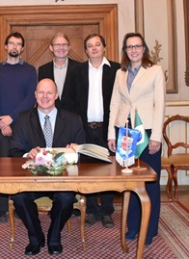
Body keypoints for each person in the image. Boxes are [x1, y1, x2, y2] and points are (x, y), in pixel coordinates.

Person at [10, 78, 86, 256]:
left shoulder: (73, 119)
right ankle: (35, 236)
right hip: (32, 179)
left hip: (62, 179)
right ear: (35, 95)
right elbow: (13, 151)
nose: (45, 97)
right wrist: (27, 153)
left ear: (56, 95)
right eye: (41, 93)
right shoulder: (22, 119)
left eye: (49, 92)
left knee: (67, 198)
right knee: (19, 198)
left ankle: (54, 236)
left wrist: (75, 150)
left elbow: (83, 151)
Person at [108, 32, 165, 246]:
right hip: (126, 132)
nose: (133, 50)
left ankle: (149, 230)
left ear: (144, 49)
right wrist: (111, 134)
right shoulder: (120, 73)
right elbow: (114, 104)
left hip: (148, 131)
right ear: (125, 50)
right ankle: (132, 227)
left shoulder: (155, 71)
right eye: (129, 47)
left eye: (137, 46)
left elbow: (160, 104)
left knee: (150, 182)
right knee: (129, 181)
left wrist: (156, 137)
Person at [68, 33, 120, 228]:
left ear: (104, 47)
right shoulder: (78, 71)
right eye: (90, 45)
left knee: (108, 171)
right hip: (85, 129)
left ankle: (107, 211)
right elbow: (70, 101)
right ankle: (91, 209)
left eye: (98, 44)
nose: (94, 48)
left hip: (108, 130)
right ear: (86, 51)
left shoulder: (116, 70)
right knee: (88, 171)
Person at [0, 32, 37, 223]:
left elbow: (30, 99)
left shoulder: (29, 70)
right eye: (11, 43)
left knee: (22, 168)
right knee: (3, 169)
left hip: (23, 129)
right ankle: (2, 209)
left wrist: (12, 118)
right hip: (1, 127)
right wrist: (2, 122)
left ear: (22, 48)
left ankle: (21, 206)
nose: (14, 47)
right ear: (5, 46)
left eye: (18, 44)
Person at [38, 32, 80, 110]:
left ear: (69, 47)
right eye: (57, 45)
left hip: (74, 117)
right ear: (51, 48)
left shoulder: (79, 68)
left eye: (64, 45)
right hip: (51, 115)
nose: (61, 48)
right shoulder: (43, 70)